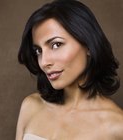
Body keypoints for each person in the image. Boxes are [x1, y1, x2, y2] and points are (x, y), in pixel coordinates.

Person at [16, 0, 123, 139]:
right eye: (38, 51)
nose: (44, 62)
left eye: (56, 45)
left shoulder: (116, 127)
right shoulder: (31, 107)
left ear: (88, 45)